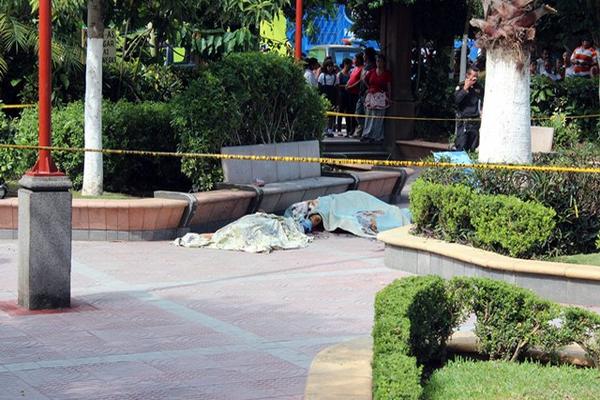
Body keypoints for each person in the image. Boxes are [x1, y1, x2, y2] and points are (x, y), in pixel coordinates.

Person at [361, 54, 392, 144]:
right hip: (371, 95)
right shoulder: (372, 71)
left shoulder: (387, 73)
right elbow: (364, 79)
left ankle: (377, 136)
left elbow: (389, 86)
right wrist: (369, 88)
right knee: (369, 116)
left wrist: (389, 97)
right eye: (377, 61)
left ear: (384, 63)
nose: (378, 63)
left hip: (381, 96)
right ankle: (367, 134)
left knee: (379, 117)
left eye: (380, 61)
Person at [454, 67, 483, 151]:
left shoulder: (479, 88)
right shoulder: (461, 86)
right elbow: (456, 100)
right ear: (467, 75)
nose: (475, 78)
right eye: (473, 76)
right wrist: (465, 88)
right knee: (461, 146)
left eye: (476, 76)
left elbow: (483, 101)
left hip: (475, 123)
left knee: (472, 148)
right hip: (464, 122)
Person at [353, 47, 377, 138]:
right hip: (362, 93)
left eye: (364, 54)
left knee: (367, 113)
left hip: (368, 93)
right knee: (358, 112)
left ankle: (365, 132)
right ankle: (362, 128)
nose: (363, 56)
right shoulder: (365, 66)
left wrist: (368, 88)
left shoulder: (373, 67)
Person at [318, 59, 339, 137]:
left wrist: (337, 100)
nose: (330, 68)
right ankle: (324, 129)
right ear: (325, 67)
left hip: (332, 96)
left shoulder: (335, 77)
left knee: (331, 115)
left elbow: (337, 88)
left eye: (331, 66)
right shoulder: (322, 75)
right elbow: (319, 87)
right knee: (324, 114)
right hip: (324, 96)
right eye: (328, 66)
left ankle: (330, 130)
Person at [345, 53, 364, 138]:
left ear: (359, 60)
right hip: (349, 93)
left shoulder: (362, 68)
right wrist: (347, 84)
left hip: (356, 93)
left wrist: (351, 86)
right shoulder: (354, 68)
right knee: (349, 111)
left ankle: (355, 129)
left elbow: (360, 81)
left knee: (355, 112)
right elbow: (351, 78)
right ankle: (350, 130)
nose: (353, 60)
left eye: (354, 59)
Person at [336, 58, 354, 135]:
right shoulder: (340, 74)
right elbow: (337, 85)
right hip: (341, 95)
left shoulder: (350, 74)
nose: (351, 66)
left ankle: (348, 130)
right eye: (350, 65)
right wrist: (345, 86)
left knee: (348, 112)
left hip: (348, 95)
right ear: (346, 64)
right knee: (340, 112)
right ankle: (339, 129)